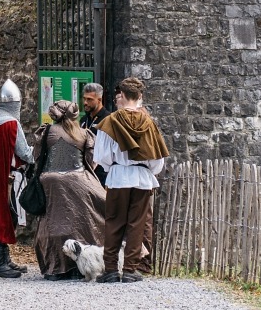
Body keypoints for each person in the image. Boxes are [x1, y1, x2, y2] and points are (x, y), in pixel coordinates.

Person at [92, 77, 169, 283]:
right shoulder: (149, 123)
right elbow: (157, 158)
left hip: (118, 177)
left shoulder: (109, 122)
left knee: (114, 222)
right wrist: (147, 169)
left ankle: (109, 269)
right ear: (140, 96)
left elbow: (101, 156)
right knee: (137, 223)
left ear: (123, 95)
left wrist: (114, 167)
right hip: (142, 177)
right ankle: (130, 269)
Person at [33, 100, 106, 279]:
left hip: (50, 183)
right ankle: (81, 266)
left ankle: (54, 268)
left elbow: (37, 156)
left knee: (51, 224)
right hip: (78, 181)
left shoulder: (46, 132)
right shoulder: (83, 133)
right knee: (89, 219)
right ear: (75, 115)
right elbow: (92, 160)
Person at [0, 78, 33, 278]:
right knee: (10, 214)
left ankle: (4, 258)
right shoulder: (12, 123)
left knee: (2, 212)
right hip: (12, 176)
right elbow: (24, 153)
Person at [79, 83, 112, 186]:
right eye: (84, 99)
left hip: (101, 172)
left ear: (99, 100)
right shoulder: (84, 120)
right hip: (84, 170)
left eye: (89, 99)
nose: (85, 102)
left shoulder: (108, 119)